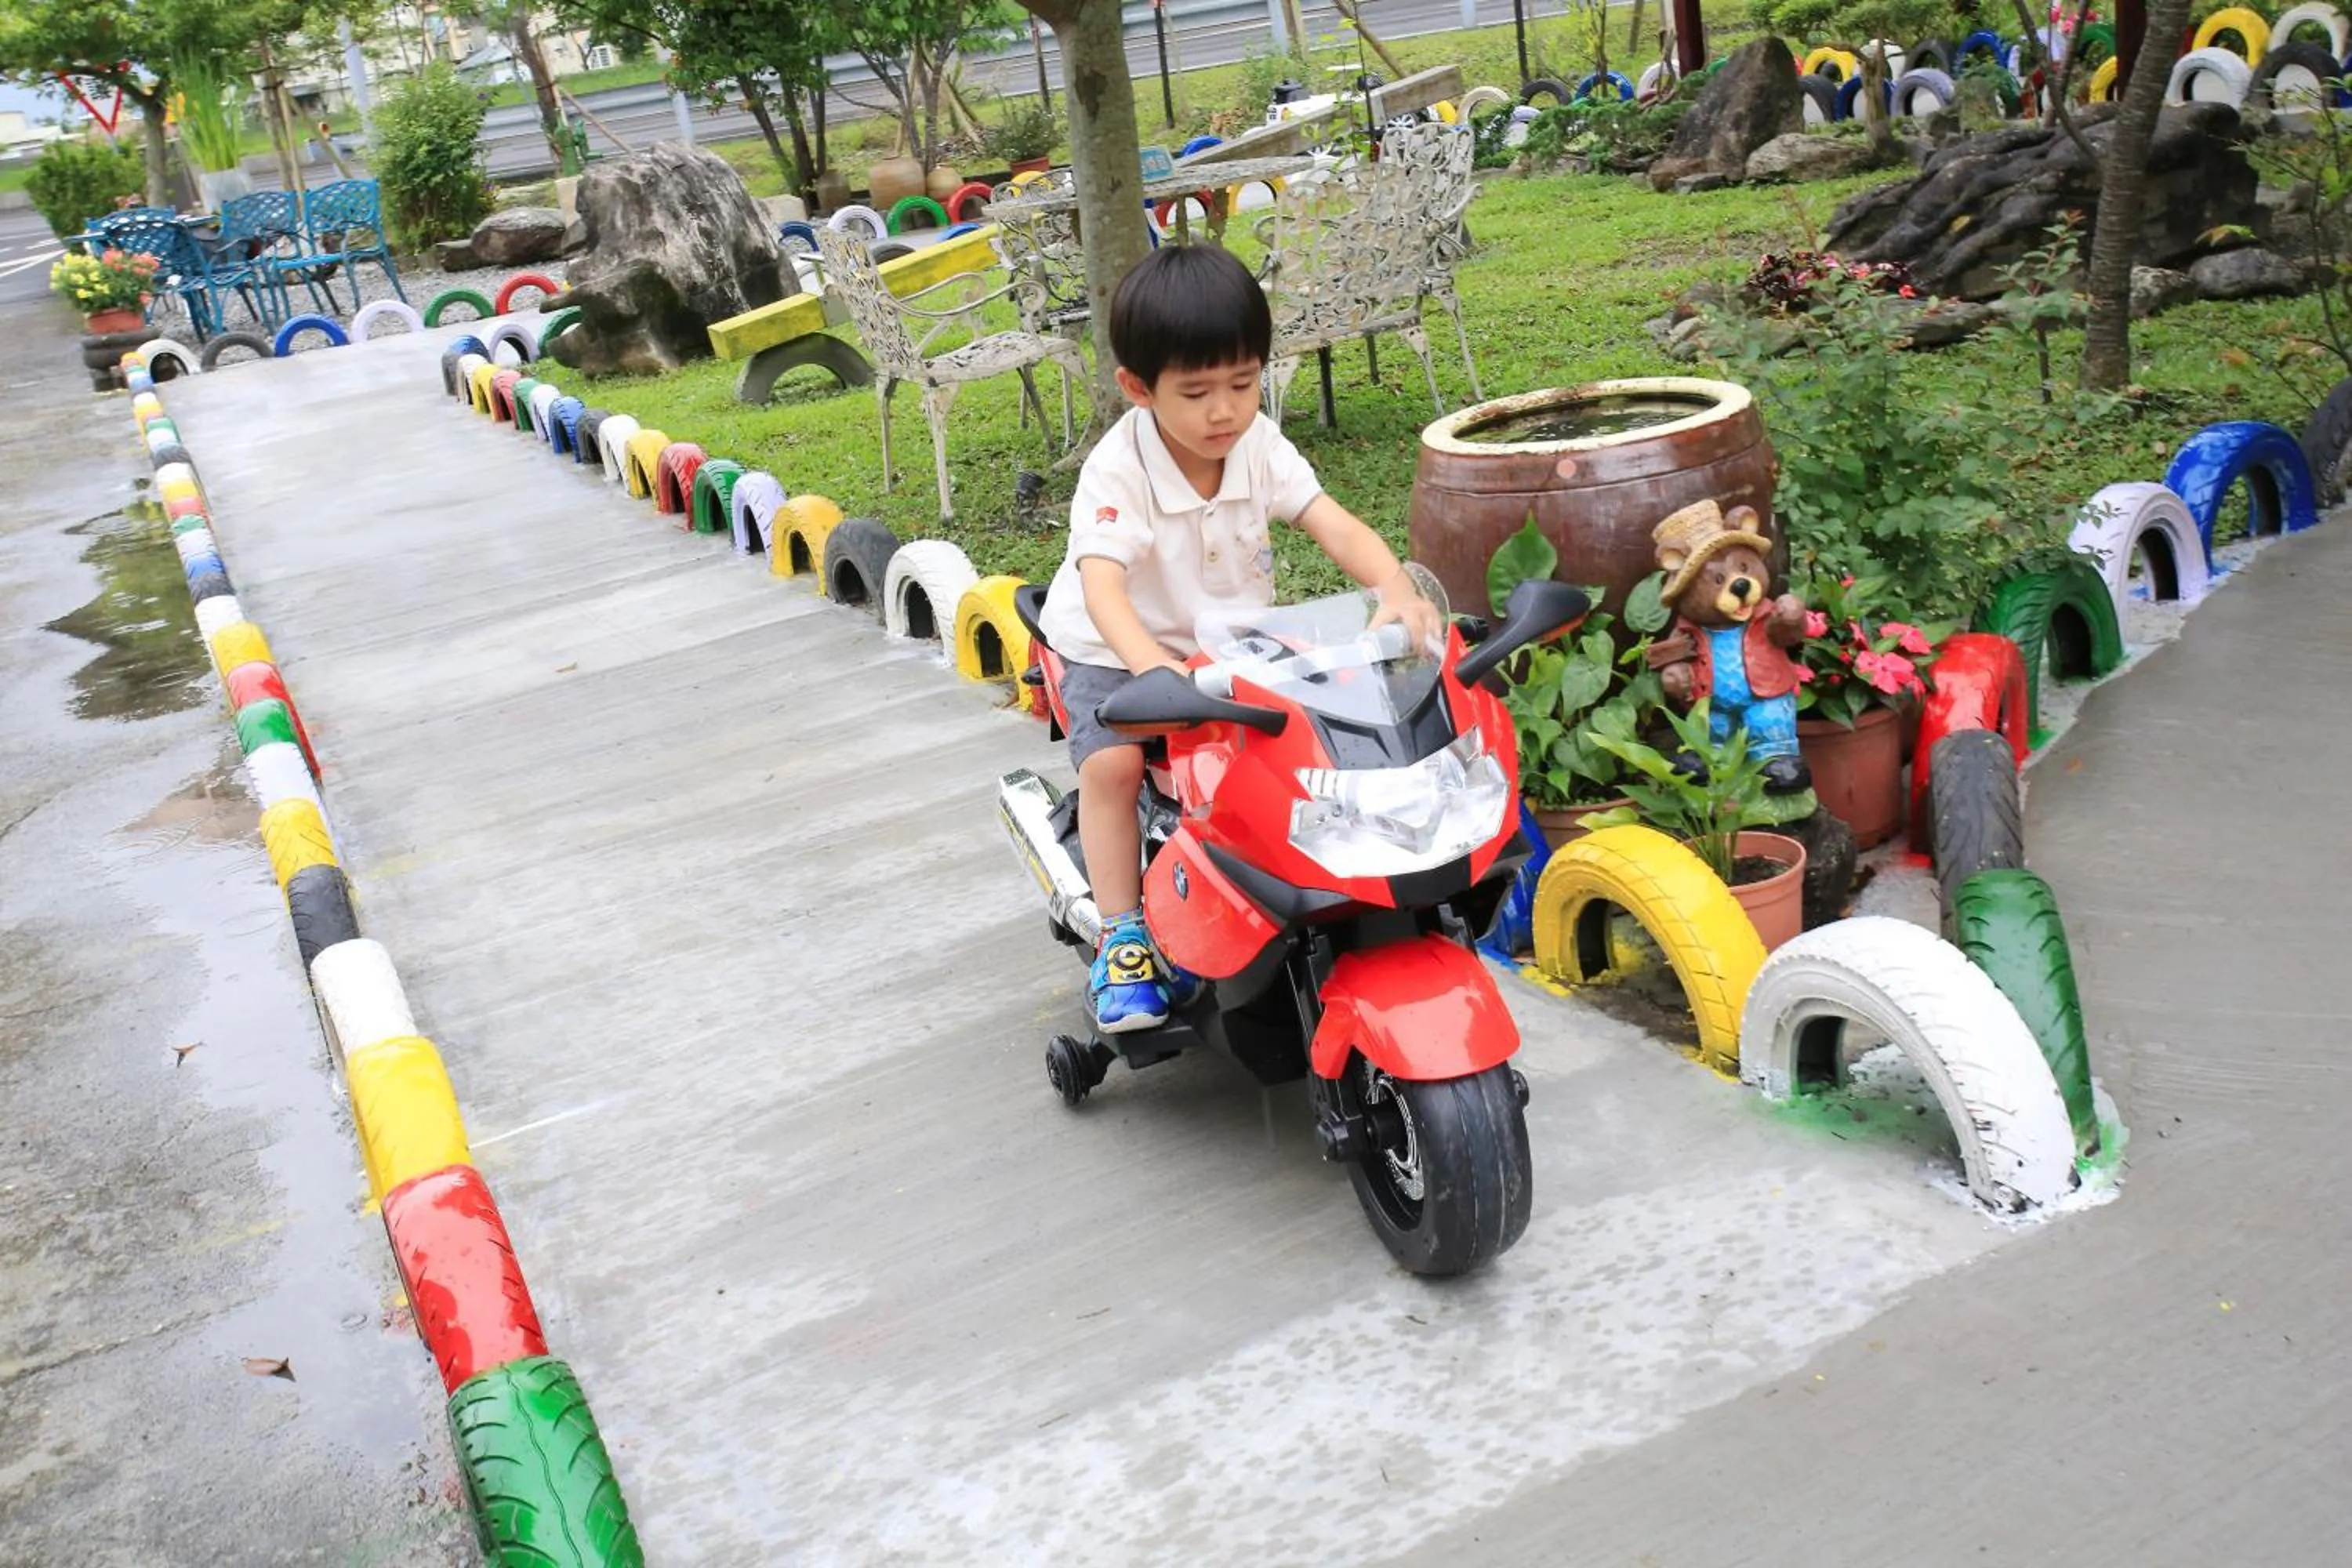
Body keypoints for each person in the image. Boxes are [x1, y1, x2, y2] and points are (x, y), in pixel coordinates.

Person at [1036, 245, 1443, 1033]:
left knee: (1304, 742)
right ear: (1136, 387)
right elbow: (1103, 587)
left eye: (1243, 382)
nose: (1224, 410)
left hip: (1227, 641)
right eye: (1196, 392)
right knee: (1116, 763)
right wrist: (1154, 668)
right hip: (1113, 647)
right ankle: (1121, 933)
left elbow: (1333, 522)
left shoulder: (1256, 444)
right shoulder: (1119, 468)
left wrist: (1394, 587)